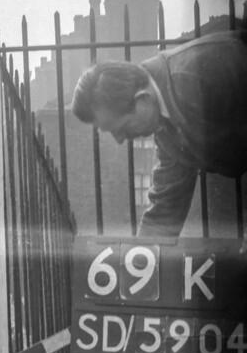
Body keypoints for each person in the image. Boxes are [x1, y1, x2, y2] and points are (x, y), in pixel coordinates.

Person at [70, 30, 247, 237]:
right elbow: (166, 209)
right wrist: (138, 261)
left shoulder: (197, 73)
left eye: (121, 128)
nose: (119, 140)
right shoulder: (166, 129)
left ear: (142, 99)